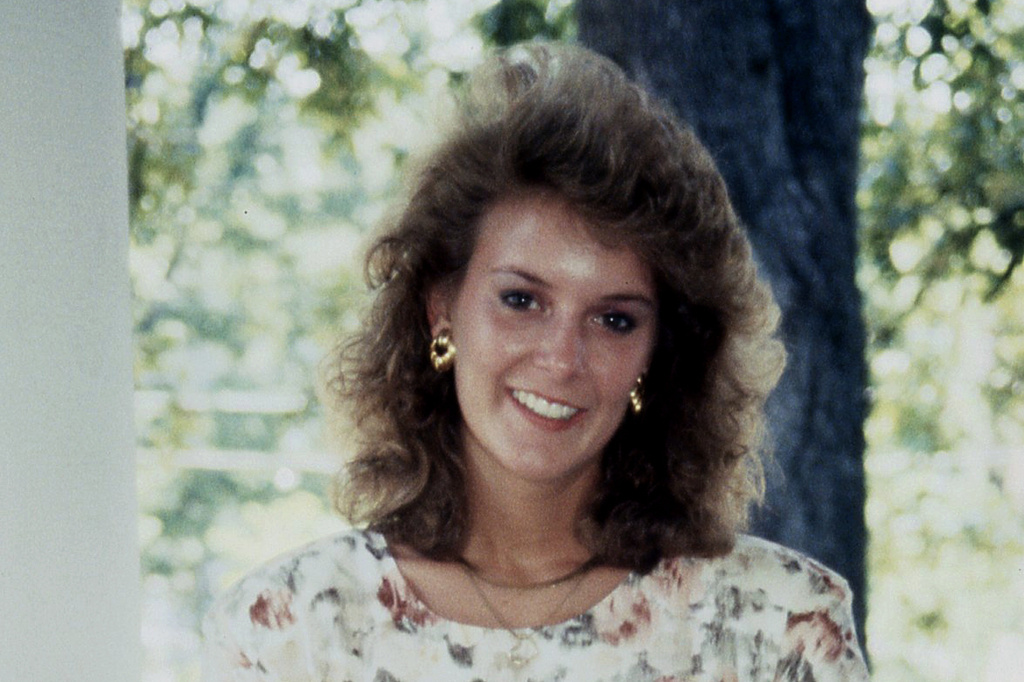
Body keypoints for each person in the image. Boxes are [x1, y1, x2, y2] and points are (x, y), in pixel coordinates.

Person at [202, 43, 870, 681]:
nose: (561, 358)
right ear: (441, 309)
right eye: (521, 300)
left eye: (614, 319)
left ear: (659, 352)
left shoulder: (780, 625)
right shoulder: (288, 634)